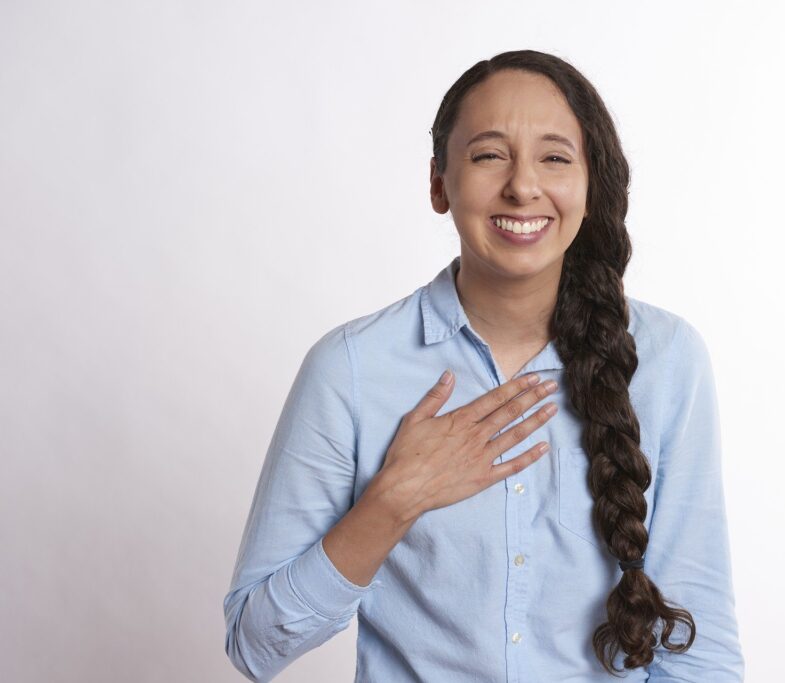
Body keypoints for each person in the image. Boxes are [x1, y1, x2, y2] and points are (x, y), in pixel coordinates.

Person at [223, 49, 744, 682]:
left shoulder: (667, 360)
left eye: (554, 157)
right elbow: (255, 644)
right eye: (489, 154)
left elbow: (699, 649)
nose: (523, 186)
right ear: (439, 183)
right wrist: (393, 502)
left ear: (590, 184)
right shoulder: (351, 369)